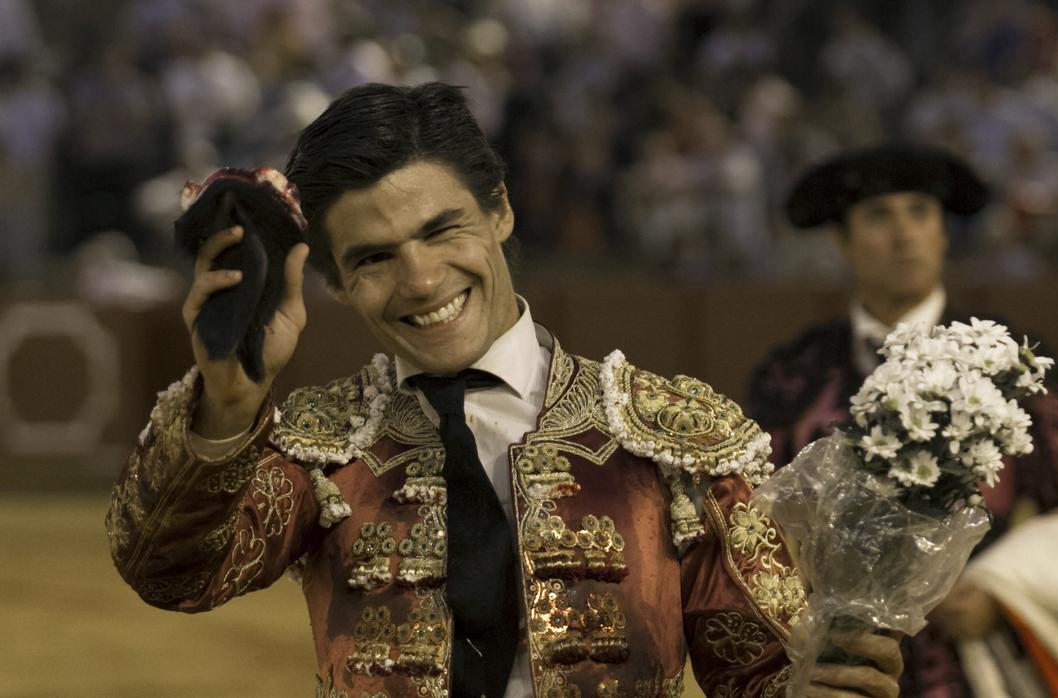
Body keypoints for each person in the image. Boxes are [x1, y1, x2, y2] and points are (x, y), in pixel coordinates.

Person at [105, 82, 902, 698]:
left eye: (442, 230)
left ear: (502, 212)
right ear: (340, 286)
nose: (420, 280)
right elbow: (172, 574)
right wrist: (229, 405)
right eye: (374, 259)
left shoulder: (668, 439)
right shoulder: (321, 444)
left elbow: (759, 675)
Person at [746, 143, 1058, 697]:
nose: (904, 234)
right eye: (879, 216)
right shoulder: (789, 373)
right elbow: (750, 523)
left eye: (920, 213)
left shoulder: (1010, 364)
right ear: (842, 243)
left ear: (943, 234)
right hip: (828, 663)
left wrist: (1002, 600)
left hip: (973, 659)